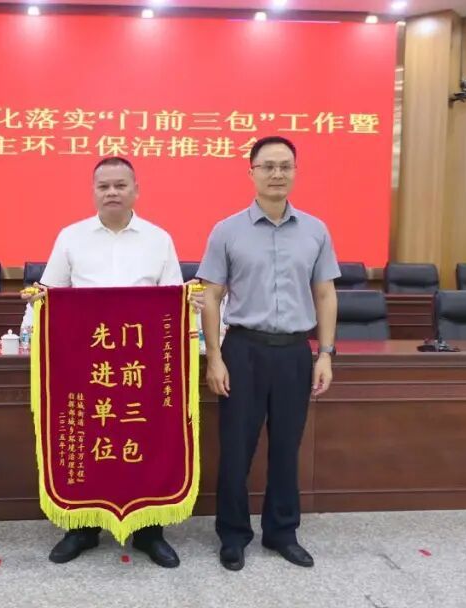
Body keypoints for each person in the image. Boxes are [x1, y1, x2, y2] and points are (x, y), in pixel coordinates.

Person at [26, 156, 199, 569]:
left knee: (146, 437)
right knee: (89, 438)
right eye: (104, 186)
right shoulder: (71, 237)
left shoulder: (159, 239)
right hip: (86, 364)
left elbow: (174, 299)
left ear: (136, 190)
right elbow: (47, 294)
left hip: (143, 366)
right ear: (93, 192)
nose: (112, 193)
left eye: (120, 185)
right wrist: (33, 317)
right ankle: (82, 528)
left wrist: (189, 306)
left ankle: (149, 531)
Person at [196, 136, 339, 572]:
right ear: (252, 172)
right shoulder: (227, 230)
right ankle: (233, 535)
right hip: (243, 350)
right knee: (236, 448)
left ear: (295, 171)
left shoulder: (315, 230)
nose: (277, 174)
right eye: (268, 166)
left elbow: (325, 294)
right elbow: (210, 296)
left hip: (295, 352)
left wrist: (325, 353)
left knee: (286, 447)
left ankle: (282, 532)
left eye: (285, 166)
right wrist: (214, 357)